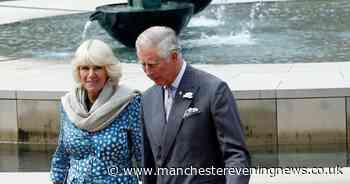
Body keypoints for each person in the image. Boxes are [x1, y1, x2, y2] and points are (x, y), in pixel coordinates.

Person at [136, 26, 251, 184]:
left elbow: (236, 155)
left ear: (174, 56)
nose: (147, 72)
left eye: (152, 64)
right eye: (143, 65)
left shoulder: (213, 90)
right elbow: (148, 163)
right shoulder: (148, 99)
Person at [50, 39, 142, 184]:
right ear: (78, 71)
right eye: (85, 68)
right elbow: (62, 153)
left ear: (108, 70)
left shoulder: (129, 103)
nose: (91, 74)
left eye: (97, 68)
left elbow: (142, 155)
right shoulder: (69, 105)